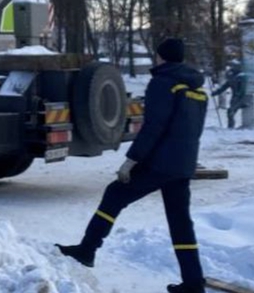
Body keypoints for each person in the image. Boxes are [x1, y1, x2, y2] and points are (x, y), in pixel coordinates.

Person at [57, 37, 209, 293]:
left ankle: (87, 249)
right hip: (182, 164)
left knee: (115, 194)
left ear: (161, 57)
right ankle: (193, 282)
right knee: (180, 221)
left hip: (160, 163)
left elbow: (153, 127)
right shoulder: (196, 89)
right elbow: (193, 130)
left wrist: (132, 161)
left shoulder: (163, 83)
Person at [212, 64, 247, 129]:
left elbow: (243, 88)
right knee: (230, 112)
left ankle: (231, 127)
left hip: (240, 97)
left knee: (231, 111)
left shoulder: (241, 77)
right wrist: (216, 93)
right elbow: (224, 87)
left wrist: (238, 95)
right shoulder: (232, 79)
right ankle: (230, 126)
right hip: (234, 97)